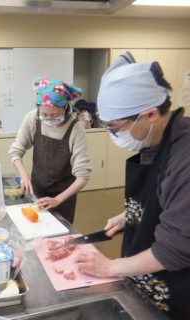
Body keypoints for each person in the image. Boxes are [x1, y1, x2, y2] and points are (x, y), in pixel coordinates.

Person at [74, 52, 190, 319]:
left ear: (149, 115)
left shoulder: (184, 160)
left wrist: (110, 268)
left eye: (115, 128)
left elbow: (173, 252)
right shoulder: (156, 141)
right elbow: (166, 199)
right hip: (145, 280)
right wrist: (134, 214)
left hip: (176, 295)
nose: (113, 135)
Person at [8, 76, 92, 223]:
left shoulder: (75, 128)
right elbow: (16, 151)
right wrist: (24, 175)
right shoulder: (32, 118)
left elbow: (83, 176)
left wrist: (58, 199)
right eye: (44, 114)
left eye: (54, 115)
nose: (48, 119)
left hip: (63, 197)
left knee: (60, 238)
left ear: (65, 107)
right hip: (36, 190)